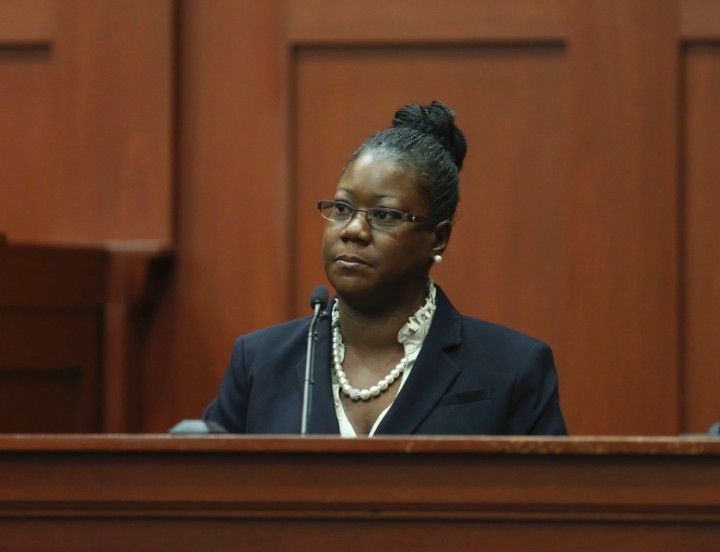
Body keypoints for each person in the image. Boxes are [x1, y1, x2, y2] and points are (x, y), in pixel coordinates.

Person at [203, 100, 567, 436]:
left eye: (384, 215)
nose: (354, 230)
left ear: (437, 238)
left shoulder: (511, 367)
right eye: (342, 209)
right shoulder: (260, 362)